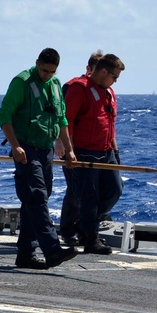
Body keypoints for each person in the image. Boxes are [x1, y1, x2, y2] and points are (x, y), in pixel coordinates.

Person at [0, 48, 79, 269]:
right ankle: (52, 250)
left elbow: (61, 119)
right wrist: (15, 146)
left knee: (34, 202)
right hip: (26, 149)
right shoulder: (21, 82)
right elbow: (4, 115)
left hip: (46, 150)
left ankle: (25, 254)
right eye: (44, 70)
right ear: (36, 63)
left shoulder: (55, 85)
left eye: (52, 72)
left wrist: (69, 150)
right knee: (37, 196)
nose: (47, 75)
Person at [63, 53, 125, 255]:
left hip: (106, 151)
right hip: (84, 152)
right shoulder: (79, 88)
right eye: (114, 76)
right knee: (89, 197)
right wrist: (69, 151)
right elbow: (67, 122)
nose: (115, 81)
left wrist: (115, 150)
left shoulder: (109, 92)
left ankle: (83, 224)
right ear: (104, 71)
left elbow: (110, 124)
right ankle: (91, 240)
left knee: (115, 189)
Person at [56, 51, 101, 246]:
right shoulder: (75, 87)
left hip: (95, 149)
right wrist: (64, 146)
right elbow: (64, 119)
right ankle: (67, 230)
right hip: (72, 147)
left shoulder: (103, 91)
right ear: (89, 68)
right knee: (74, 190)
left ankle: (85, 224)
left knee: (100, 191)